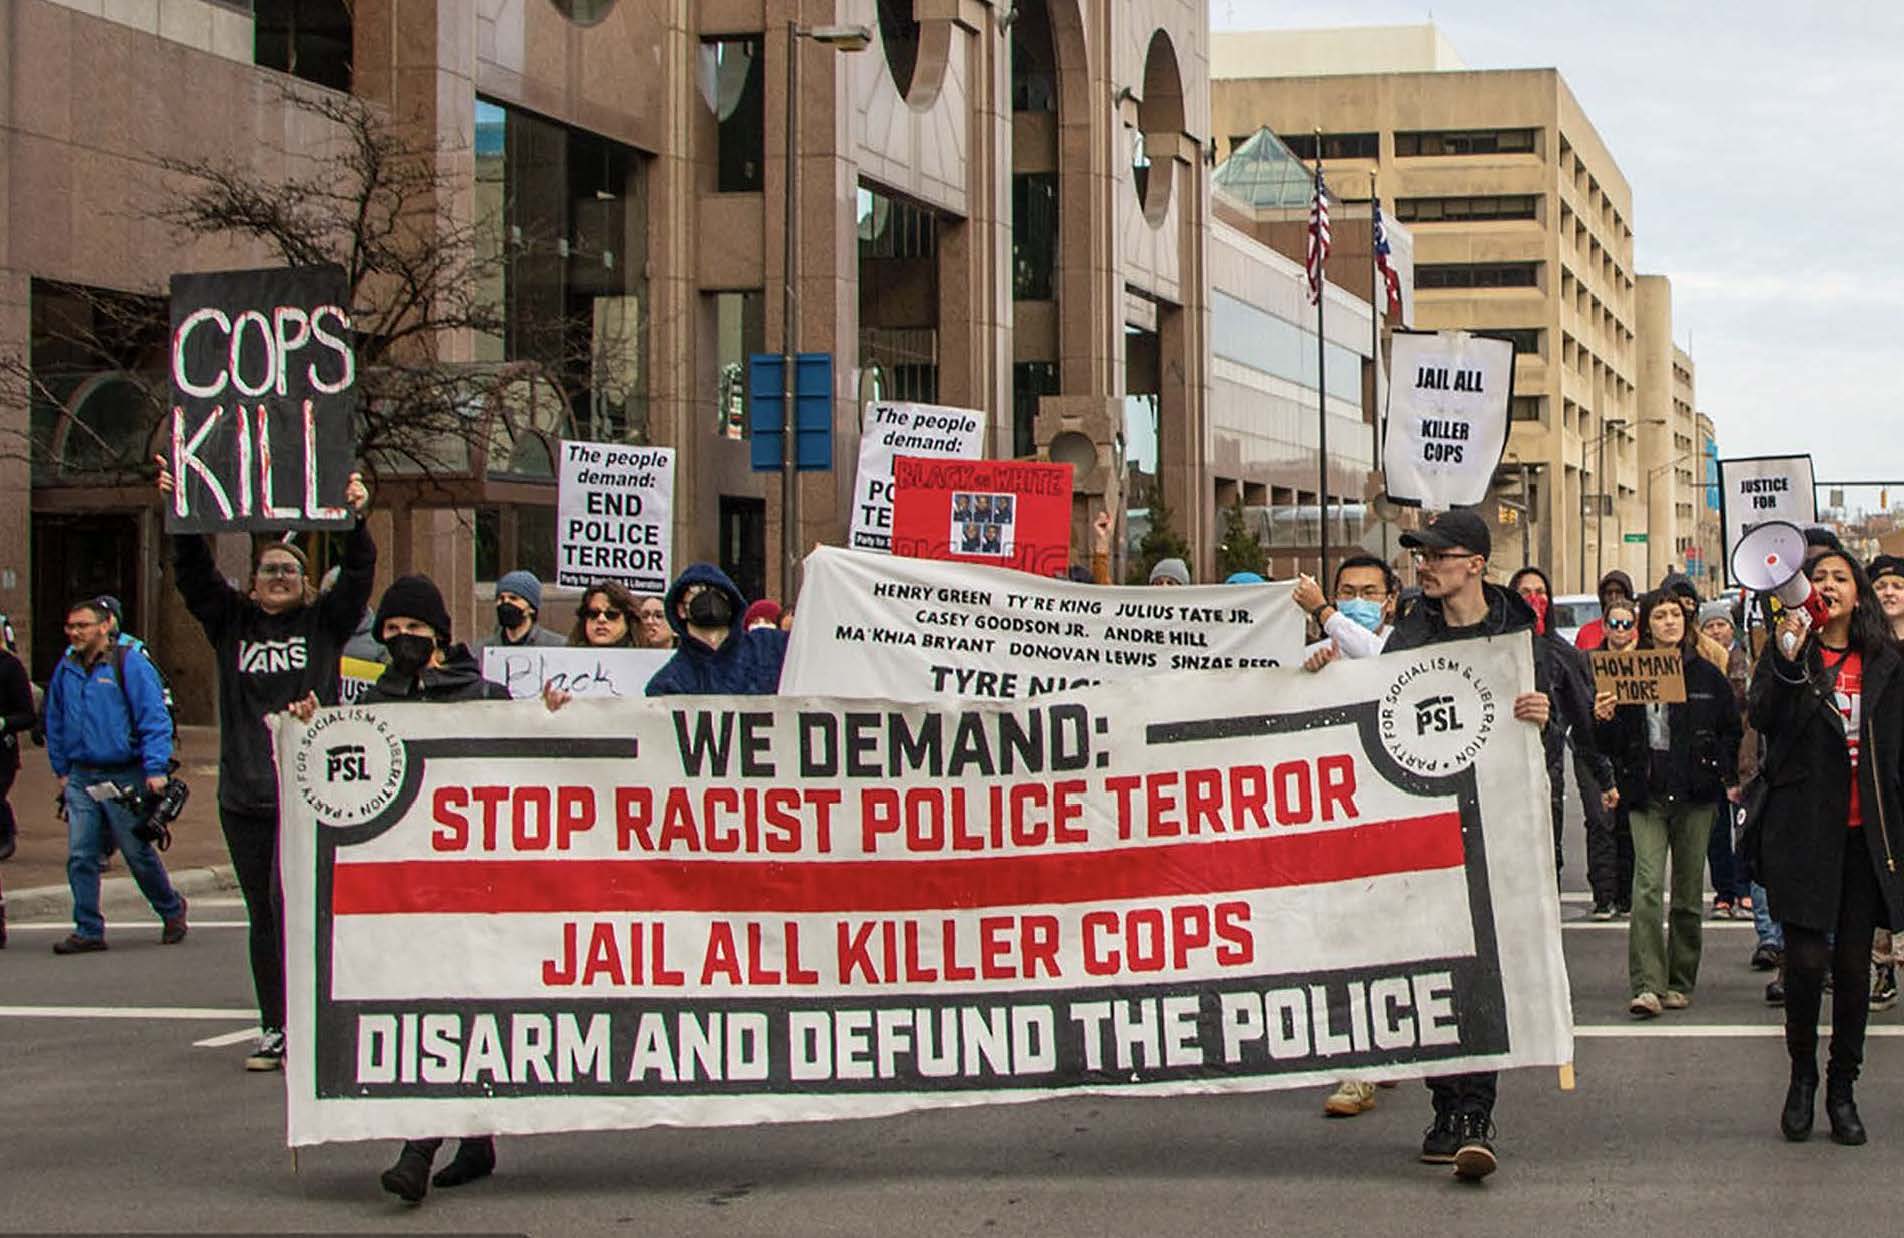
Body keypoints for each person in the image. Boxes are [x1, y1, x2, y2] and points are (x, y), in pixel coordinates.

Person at [1332, 508, 1553, 1180]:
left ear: (1475, 565)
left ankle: (1473, 1112)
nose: (1423, 566)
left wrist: (1545, 714)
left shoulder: (1520, 633)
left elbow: (1573, 708)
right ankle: (1445, 1102)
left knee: (1484, 967)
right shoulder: (1408, 636)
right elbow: (1372, 710)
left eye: (1436, 555)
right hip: (1428, 824)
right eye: (1420, 556)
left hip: (1500, 822)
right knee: (1437, 963)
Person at [288, 575, 509, 1201]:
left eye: (415, 630)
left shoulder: (483, 694)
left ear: (439, 634)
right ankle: (473, 1139)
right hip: (408, 889)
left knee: (459, 1003)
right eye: (394, 631)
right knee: (431, 1006)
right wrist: (313, 726)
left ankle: (419, 1149)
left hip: (474, 881)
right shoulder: (375, 702)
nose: (404, 640)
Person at [158, 454, 375, 1071]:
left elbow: (359, 576)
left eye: (289, 569)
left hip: (311, 794)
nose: (278, 577)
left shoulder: (323, 624)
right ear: (252, 583)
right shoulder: (231, 624)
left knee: (297, 907)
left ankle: (318, 1016)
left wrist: (357, 520)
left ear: (305, 583)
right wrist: (182, 512)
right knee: (264, 914)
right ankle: (275, 1025)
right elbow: (194, 575)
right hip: (246, 795)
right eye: (268, 569)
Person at [1750, 547, 1904, 1145]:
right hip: (1803, 831)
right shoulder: (1792, 653)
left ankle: (1844, 1088)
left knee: (1853, 967)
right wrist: (1788, 650)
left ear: (1858, 593)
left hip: (1868, 836)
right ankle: (1802, 1079)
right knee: (1807, 964)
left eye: (1841, 577)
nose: (1829, 585)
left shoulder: (1886, 661)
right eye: (1818, 578)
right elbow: (1764, 715)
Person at [1594, 591, 1741, 1019]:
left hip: (1695, 795)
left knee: (1689, 893)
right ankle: (1647, 984)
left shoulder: (1707, 676)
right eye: (1660, 615)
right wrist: (1604, 717)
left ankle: (1680, 980)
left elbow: (1731, 729)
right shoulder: (1627, 672)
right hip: (1647, 794)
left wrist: (1719, 769)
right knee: (1646, 887)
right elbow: (1610, 743)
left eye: (1675, 614)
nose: (1669, 622)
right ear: (1646, 624)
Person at [1295, 554, 1399, 1120]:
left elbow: (1382, 662)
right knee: (1350, 942)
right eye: (1346, 589)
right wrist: (1308, 676)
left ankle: (1388, 1049)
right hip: (1340, 815)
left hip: (1397, 815)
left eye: (1368, 591)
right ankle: (1358, 1065)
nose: (1357, 597)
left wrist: (1329, 613)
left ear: (1388, 601)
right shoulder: (1319, 652)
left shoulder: (1401, 642)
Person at [43, 598, 189, 954]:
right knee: (81, 854)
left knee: (136, 852)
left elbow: (154, 718)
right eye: (71, 626)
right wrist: (61, 770)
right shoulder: (67, 667)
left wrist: (155, 770)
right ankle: (88, 929)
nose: (74, 633)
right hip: (81, 776)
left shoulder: (130, 664)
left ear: (105, 625)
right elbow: (55, 719)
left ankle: (170, 908)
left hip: (124, 774)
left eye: (82, 626)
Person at [1510, 565, 1620, 889]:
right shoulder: (1493, 647)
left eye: (1540, 593)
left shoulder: (1562, 654)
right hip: (1500, 771)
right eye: (1525, 593)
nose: (1534, 599)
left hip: (1546, 769)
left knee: (1545, 856)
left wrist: (1605, 779)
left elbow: (1583, 720)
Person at [645, 564, 789, 697]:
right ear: (681, 610)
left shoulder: (770, 645)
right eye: (697, 590)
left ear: (732, 601)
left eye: (718, 591)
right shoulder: (667, 683)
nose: (709, 596)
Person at [1697, 599, 1753, 919]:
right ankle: (1724, 893)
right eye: (1710, 626)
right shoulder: (1700, 662)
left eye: (1721, 624)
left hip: (1742, 754)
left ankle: (1744, 888)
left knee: (1743, 827)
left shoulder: (1744, 658)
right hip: (1711, 757)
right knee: (1716, 830)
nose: (1717, 631)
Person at [1866, 554, 1904, 1012]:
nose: (1891, 592)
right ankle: (1882, 971)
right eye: (1882, 585)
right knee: (1879, 876)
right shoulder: (1868, 650)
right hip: (1879, 777)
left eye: (1898, 584)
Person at [1593, 598, 1642, 916]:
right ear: (1605, 626)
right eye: (1615, 624)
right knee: (1601, 825)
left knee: (1629, 828)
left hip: (1633, 751)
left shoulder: (1645, 661)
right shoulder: (1591, 661)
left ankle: (1626, 894)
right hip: (1598, 747)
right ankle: (1605, 894)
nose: (1620, 630)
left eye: (1626, 624)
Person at [0, 637, 31, 865]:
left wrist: (3, 722)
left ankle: (5, 834)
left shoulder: (10, 667)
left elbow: (27, 715)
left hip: (2, 750)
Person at [477, 570, 565, 650]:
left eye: (513, 598)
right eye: (501, 598)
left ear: (531, 608)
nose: (506, 602)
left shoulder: (556, 646)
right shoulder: (482, 649)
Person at [1574, 569, 1635, 651]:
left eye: (1619, 592)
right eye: (1609, 593)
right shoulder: (1586, 632)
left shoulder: (1640, 635)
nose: (1614, 597)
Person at [566, 582, 639, 648]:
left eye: (611, 614)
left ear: (628, 620)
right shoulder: (564, 658)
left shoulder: (645, 658)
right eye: (593, 614)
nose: (601, 619)